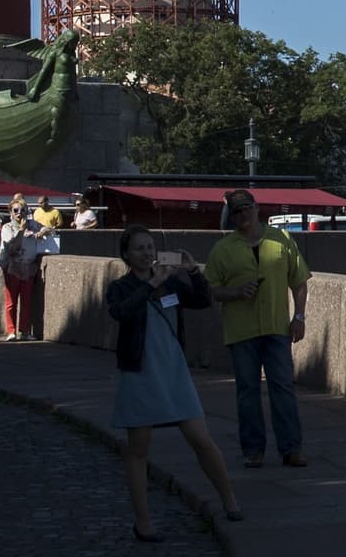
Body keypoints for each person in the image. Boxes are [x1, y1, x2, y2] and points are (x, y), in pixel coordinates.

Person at [103, 229, 242, 539]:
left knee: (200, 438)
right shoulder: (120, 287)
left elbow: (203, 300)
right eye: (139, 248)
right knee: (139, 448)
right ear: (126, 255)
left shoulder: (171, 283)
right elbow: (121, 312)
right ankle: (143, 521)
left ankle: (229, 500)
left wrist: (193, 272)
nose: (146, 253)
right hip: (140, 372)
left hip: (173, 371)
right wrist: (151, 284)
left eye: (150, 247)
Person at [206, 189, 310, 469]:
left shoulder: (281, 239)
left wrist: (299, 316)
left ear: (257, 207)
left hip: (277, 327)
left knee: (283, 388)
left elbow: (300, 281)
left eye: (247, 208)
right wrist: (236, 292)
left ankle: (291, 449)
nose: (244, 215)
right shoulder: (223, 249)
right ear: (231, 215)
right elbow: (212, 289)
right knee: (247, 391)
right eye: (237, 211)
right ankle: (253, 450)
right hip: (242, 331)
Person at [0, 209, 52, 341]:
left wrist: (43, 231)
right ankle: (11, 331)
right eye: (16, 210)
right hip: (12, 267)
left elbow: (50, 229)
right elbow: (11, 247)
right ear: (11, 213)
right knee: (11, 302)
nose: (19, 213)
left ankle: (24, 331)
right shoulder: (7, 227)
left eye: (22, 210)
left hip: (28, 267)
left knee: (26, 301)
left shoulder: (33, 225)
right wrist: (21, 230)